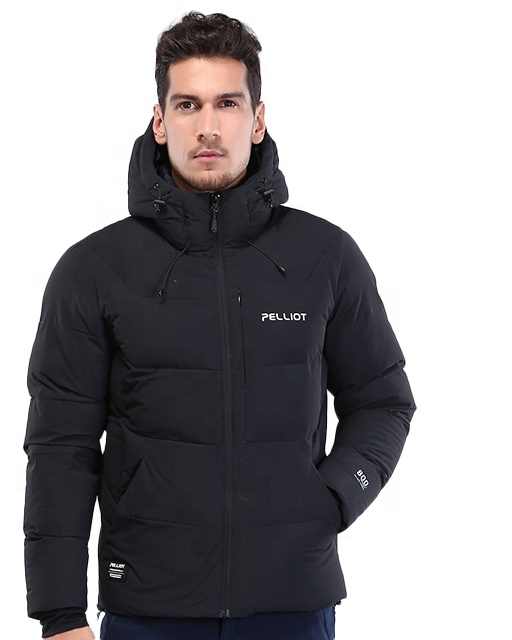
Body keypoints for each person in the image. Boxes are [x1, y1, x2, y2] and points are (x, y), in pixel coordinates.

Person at [22, 11, 417, 640]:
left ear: (257, 120)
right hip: (148, 608)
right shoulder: (93, 269)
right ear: (160, 121)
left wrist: (337, 496)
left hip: (292, 602)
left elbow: (383, 400)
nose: (208, 126)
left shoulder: (324, 256)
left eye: (228, 103)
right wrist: (60, 614)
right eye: (187, 104)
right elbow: (60, 447)